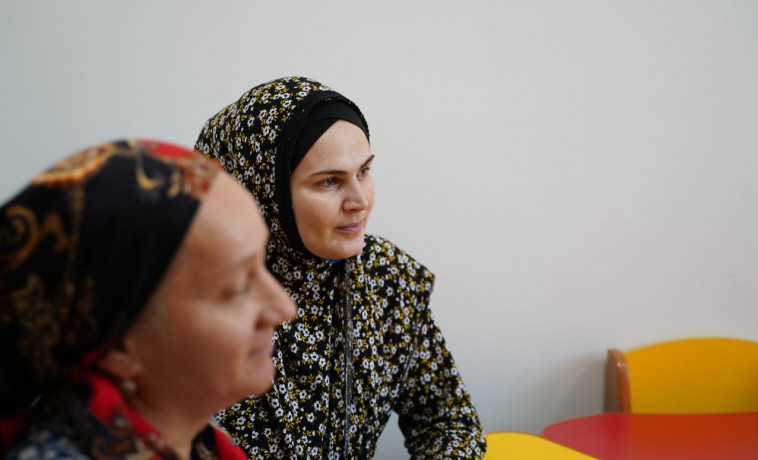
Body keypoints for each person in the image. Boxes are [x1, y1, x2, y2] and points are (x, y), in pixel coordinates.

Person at [195, 76, 486, 459]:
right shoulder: (199, 300)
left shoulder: (388, 278)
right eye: (329, 182)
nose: (359, 201)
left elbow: (448, 422)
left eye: (364, 171)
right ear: (264, 192)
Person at [0, 139, 296, 459]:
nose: (285, 309)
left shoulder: (198, 446)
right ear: (118, 349)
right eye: (237, 287)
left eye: (262, 265)